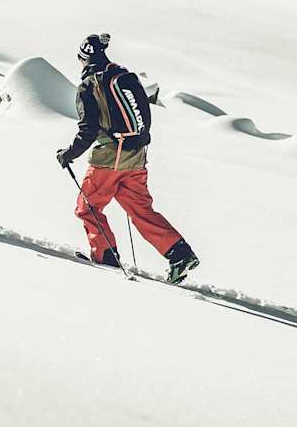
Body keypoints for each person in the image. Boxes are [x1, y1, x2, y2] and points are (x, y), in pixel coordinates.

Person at [56, 33, 200, 283]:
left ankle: (106, 257)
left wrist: (69, 154)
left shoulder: (90, 84)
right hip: (136, 155)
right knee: (141, 209)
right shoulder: (121, 75)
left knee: (87, 207)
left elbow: (88, 129)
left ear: (84, 57)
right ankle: (179, 253)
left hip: (108, 159)